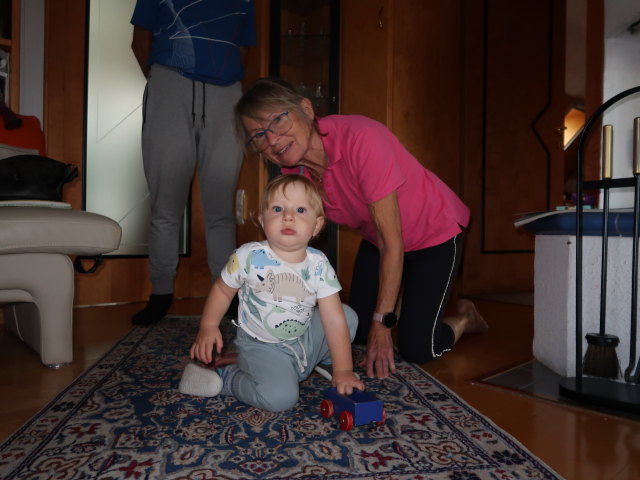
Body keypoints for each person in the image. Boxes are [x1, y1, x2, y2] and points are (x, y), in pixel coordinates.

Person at [233, 77, 488, 380]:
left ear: (305, 108)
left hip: (434, 233)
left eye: (277, 121)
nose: (272, 140)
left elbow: (393, 242)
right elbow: (290, 249)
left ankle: (465, 318)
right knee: (357, 333)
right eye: (259, 135)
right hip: (377, 239)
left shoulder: (361, 138)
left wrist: (384, 324)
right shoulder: (295, 173)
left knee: (419, 347)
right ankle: (407, 303)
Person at [183, 175, 364, 412]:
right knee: (281, 398)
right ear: (262, 220)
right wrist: (208, 325)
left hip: (303, 337)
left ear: (317, 226)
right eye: (278, 209)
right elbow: (222, 289)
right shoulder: (248, 257)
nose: (288, 216)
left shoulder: (319, 263)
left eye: (300, 209)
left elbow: (332, 319)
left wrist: (343, 370)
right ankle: (228, 378)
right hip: (261, 346)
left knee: (347, 316)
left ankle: (328, 363)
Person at [129, 0, 256, 325]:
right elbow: (139, 42)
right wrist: (166, 82)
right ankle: (160, 293)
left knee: (220, 208)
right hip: (170, 86)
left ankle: (226, 293)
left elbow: (243, 49)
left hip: (226, 95)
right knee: (165, 204)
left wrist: (221, 87)